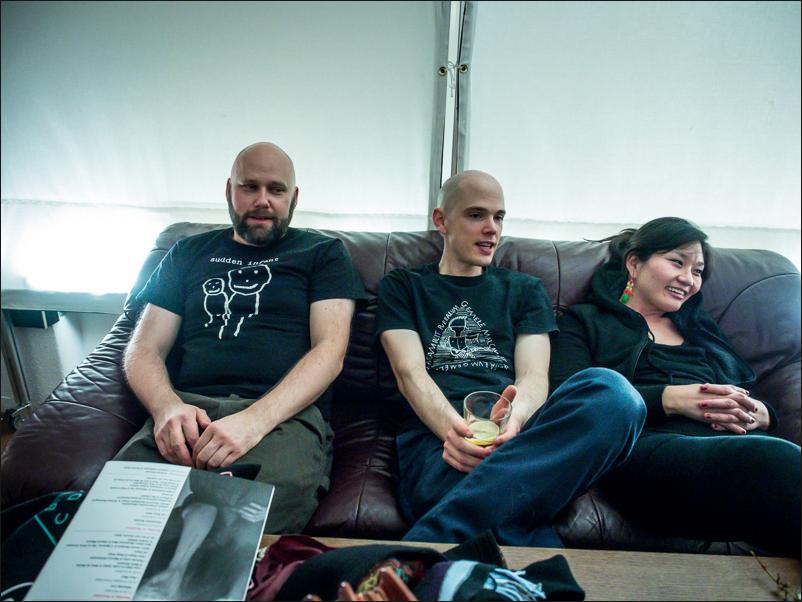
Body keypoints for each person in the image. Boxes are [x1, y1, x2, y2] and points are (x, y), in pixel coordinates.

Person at [375, 170, 647, 546]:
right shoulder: (404, 286)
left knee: (615, 394)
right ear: (441, 220)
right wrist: (458, 434)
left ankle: (429, 541)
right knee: (504, 513)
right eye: (476, 215)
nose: (492, 229)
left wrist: (513, 423)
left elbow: (534, 376)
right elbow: (410, 374)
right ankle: (514, 532)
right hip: (439, 438)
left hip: (517, 437)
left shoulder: (524, 289)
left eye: (499, 217)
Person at [115, 142, 366, 534]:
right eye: (250, 187)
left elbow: (330, 351)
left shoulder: (323, 253)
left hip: (281, 418)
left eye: (276, 189)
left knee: (235, 531)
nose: (263, 200)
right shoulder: (186, 253)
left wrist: (254, 421)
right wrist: (166, 408)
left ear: (294, 197)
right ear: (229, 190)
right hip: (187, 411)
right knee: (119, 522)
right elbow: (143, 347)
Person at [550, 216, 801, 557]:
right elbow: (568, 400)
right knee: (774, 461)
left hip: (732, 455)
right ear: (634, 264)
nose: (688, 279)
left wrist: (763, 414)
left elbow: (745, 393)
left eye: (698, 271)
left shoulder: (699, 330)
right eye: (677, 262)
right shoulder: (586, 321)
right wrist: (671, 399)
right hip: (645, 451)